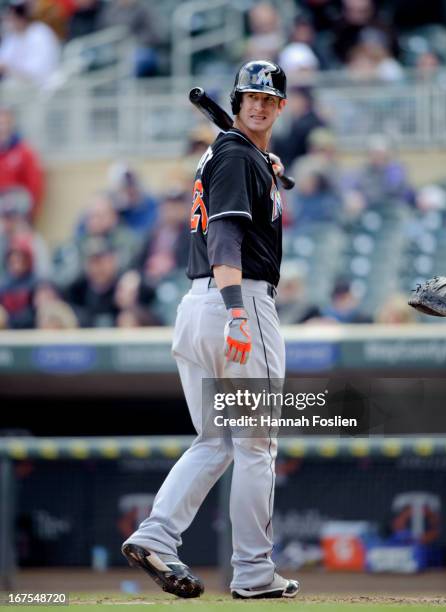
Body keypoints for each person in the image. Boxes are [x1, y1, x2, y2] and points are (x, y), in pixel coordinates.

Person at [121, 60, 299, 600]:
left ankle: (156, 534)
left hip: (197, 308)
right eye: (251, 97)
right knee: (255, 444)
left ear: (281, 107)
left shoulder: (232, 155)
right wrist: (238, 313)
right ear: (238, 101)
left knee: (217, 441)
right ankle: (251, 571)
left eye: (269, 99)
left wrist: (260, 166)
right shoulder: (237, 155)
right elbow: (225, 236)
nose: (259, 105)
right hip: (234, 300)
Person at [0, 0, 61, 89]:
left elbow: (38, 70)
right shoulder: (12, 37)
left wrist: (9, 69)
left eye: (10, 19)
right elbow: (3, 59)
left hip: (40, 88)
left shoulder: (40, 33)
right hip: (16, 87)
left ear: (21, 18)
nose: (7, 23)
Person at [0, 107, 45, 221]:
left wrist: (31, 213)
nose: (2, 127)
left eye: (5, 123)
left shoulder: (24, 152)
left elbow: (35, 184)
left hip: (16, 209)